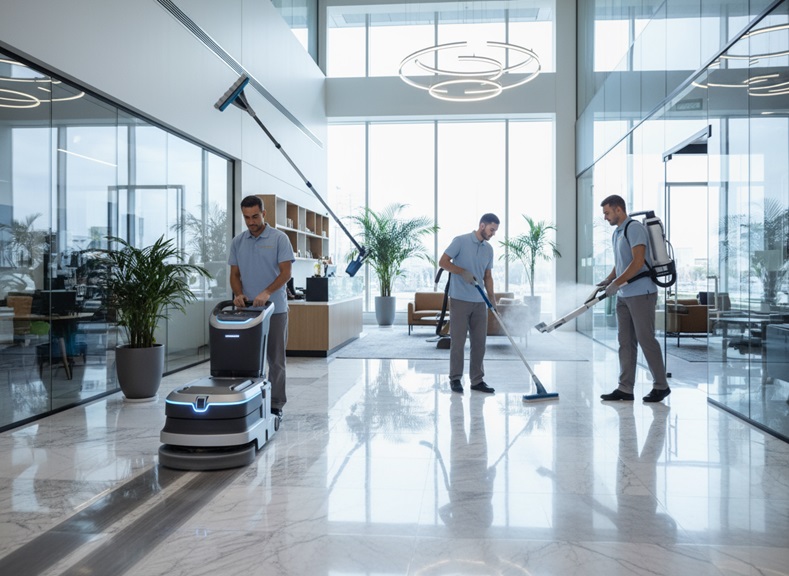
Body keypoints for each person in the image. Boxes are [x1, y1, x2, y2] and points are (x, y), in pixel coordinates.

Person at [598, 194, 670, 402]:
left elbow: (638, 262)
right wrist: (609, 280)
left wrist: (616, 283)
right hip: (624, 295)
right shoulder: (617, 233)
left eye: (607, 213)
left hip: (641, 294)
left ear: (618, 209)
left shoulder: (634, 228)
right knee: (625, 342)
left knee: (646, 339)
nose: (605, 217)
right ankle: (625, 388)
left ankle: (661, 385)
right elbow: (621, 262)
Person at [229, 195, 295, 420]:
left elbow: (286, 273)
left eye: (255, 216)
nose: (251, 221)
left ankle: (276, 404)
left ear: (264, 214)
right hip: (247, 311)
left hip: (274, 310)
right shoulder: (238, 241)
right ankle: (249, 400)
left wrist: (267, 292)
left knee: (275, 360)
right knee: (245, 359)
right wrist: (238, 294)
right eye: (246, 217)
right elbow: (235, 275)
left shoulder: (279, 238)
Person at [438, 213, 500, 394]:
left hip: (480, 302)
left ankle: (477, 380)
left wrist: (492, 300)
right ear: (482, 226)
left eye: (495, 230)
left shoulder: (488, 249)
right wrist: (462, 272)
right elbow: (443, 262)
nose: (493, 233)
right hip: (459, 299)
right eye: (491, 229)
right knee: (458, 342)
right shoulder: (460, 241)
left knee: (479, 343)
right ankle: (455, 379)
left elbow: (488, 277)